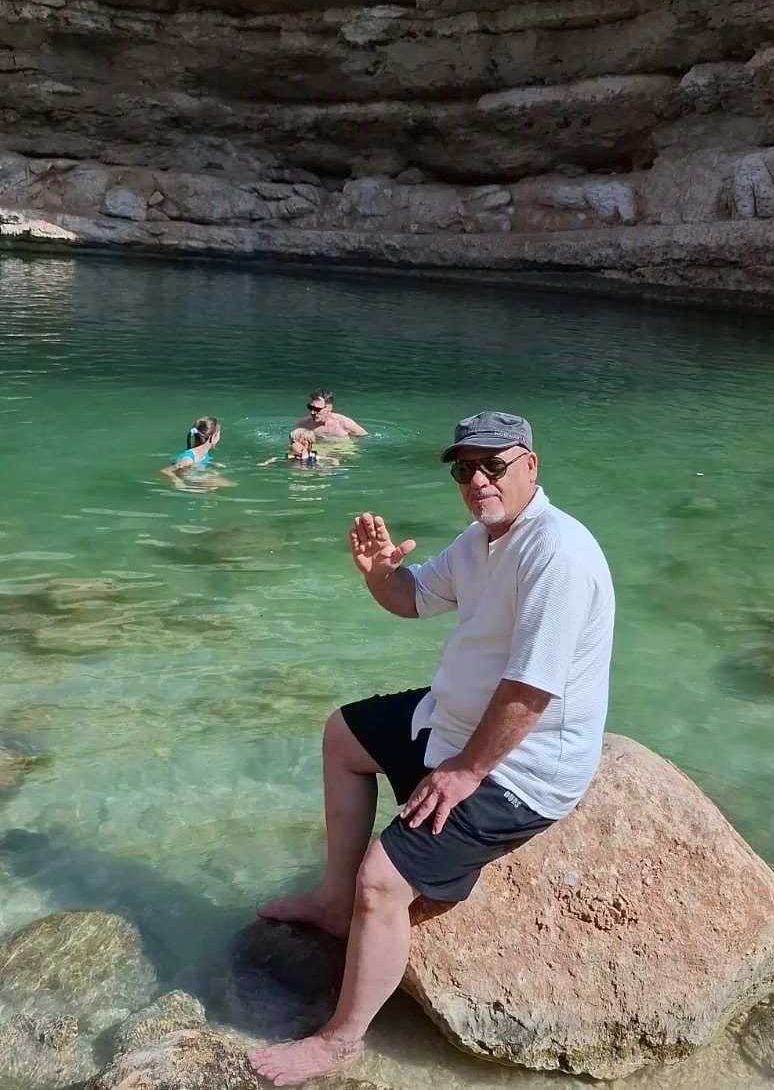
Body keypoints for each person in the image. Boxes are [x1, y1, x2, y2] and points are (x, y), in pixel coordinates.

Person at [250, 410, 615, 1086]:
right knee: (342, 736)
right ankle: (331, 903)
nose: (478, 480)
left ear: (531, 466)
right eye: (465, 469)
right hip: (454, 719)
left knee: (382, 882)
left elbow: (531, 690)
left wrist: (466, 770)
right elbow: (414, 596)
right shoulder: (482, 540)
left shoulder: (556, 554)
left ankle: (341, 1040)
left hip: (523, 764)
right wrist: (376, 575)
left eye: (494, 465)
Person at [160, 417, 232, 489]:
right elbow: (165, 470)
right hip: (192, 478)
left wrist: (213, 463)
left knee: (221, 481)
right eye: (219, 434)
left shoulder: (203, 450)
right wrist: (177, 480)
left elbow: (200, 461)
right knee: (230, 485)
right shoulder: (188, 459)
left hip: (197, 472)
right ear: (213, 437)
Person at [296, 388, 367, 440]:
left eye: (317, 409)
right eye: (310, 407)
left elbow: (364, 437)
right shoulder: (303, 424)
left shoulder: (344, 423)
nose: (312, 412)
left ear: (329, 408)